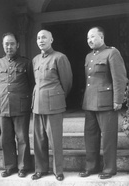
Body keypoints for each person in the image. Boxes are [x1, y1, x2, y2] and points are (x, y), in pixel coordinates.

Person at [79, 26, 127, 179]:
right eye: (88, 38)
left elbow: (119, 78)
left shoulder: (112, 52)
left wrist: (118, 100)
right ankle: (91, 166)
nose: (90, 40)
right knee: (90, 137)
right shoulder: (88, 57)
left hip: (106, 102)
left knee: (108, 137)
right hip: (89, 102)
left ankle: (109, 169)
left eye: (92, 37)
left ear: (101, 37)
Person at [0, 32, 34, 178]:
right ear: (3, 46)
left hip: (21, 106)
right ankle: (10, 166)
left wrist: (31, 103)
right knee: (6, 138)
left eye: (12, 43)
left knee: (22, 138)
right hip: (2, 105)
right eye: (6, 44)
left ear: (17, 45)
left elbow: (32, 85)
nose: (9, 46)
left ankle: (23, 167)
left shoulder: (26, 63)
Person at [31, 30, 72, 181]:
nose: (41, 40)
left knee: (55, 140)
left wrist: (57, 97)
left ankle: (58, 171)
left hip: (54, 104)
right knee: (38, 140)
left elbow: (67, 82)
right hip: (37, 104)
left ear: (51, 39)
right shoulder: (35, 60)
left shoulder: (60, 57)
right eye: (38, 38)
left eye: (44, 37)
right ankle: (40, 169)